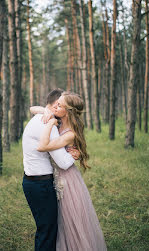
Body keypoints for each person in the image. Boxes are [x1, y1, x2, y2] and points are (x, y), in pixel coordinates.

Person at [37, 91, 107, 251]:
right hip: (54, 177)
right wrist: (47, 111)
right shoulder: (58, 120)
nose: (56, 105)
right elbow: (32, 108)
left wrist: (49, 124)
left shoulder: (70, 134)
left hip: (67, 181)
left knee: (69, 220)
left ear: (67, 112)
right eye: (56, 103)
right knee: (57, 220)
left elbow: (42, 147)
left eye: (60, 105)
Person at [22, 88, 79, 251]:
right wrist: (75, 154)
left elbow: (34, 108)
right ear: (55, 106)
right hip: (41, 185)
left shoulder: (39, 118)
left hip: (33, 181)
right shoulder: (48, 124)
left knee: (45, 229)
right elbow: (63, 162)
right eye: (61, 104)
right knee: (47, 231)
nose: (62, 108)